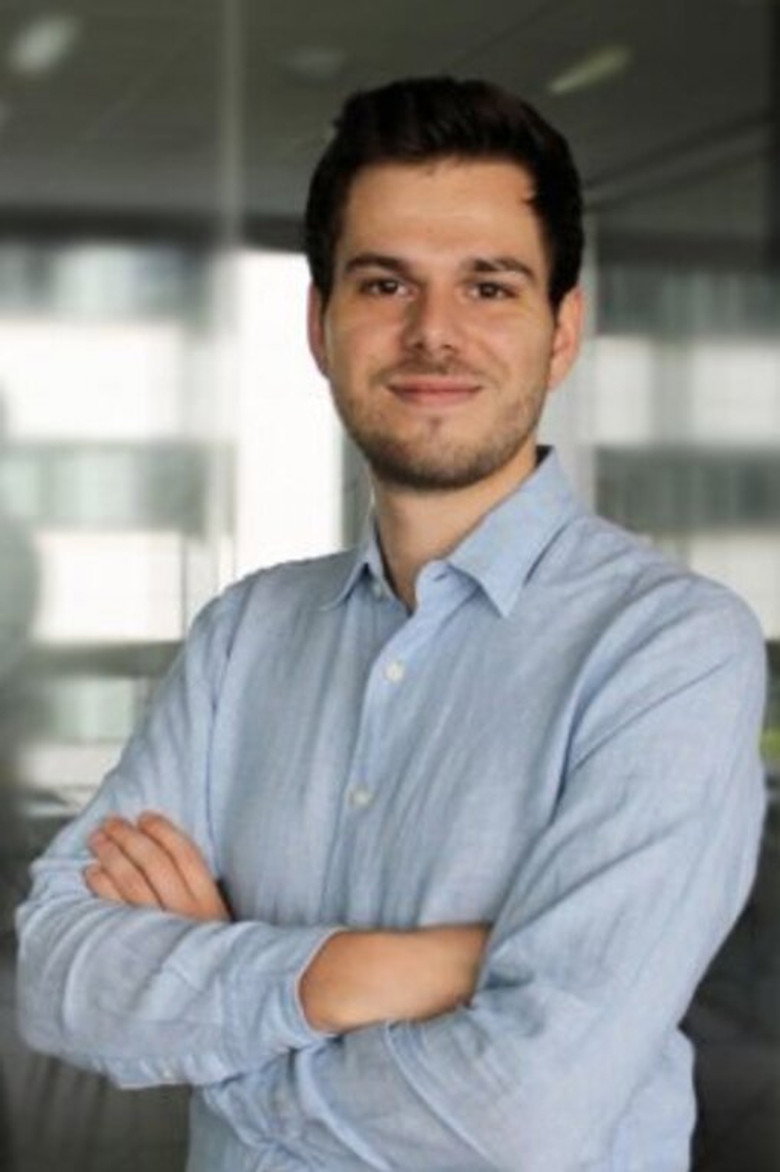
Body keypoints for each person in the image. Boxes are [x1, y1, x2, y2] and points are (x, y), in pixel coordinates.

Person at [17, 77, 766, 1172]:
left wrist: (221, 1017)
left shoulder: (670, 650)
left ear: (562, 332)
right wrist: (354, 973)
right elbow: (57, 974)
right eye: (384, 283)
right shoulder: (243, 637)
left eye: (489, 286)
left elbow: (521, 1116)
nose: (433, 333)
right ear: (320, 326)